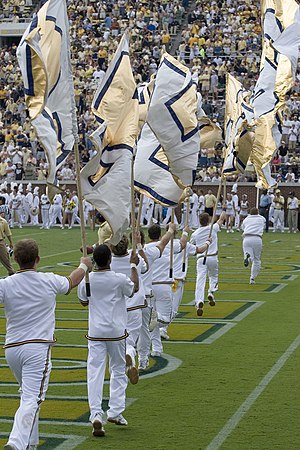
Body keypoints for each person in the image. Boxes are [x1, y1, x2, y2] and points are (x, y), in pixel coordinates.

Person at [1, 239, 92, 450]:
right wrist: (84, 265)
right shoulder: (48, 279)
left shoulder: (6, 284)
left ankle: (30, 444)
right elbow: (71, 281)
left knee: (27, 396)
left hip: (12, 348)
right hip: (37, 347)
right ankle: (16, 442)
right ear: (38, 259)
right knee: (32, 399)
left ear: (15, 259)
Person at [77, 244, 139, 437]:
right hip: (116, 331)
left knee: (94, 373)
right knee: (118, 370)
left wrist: (86, 274)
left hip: (96, 331)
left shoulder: (87, 279)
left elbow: (83, 301)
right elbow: (134, 289)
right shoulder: (119, 279)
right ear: (110, 260)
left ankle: (96, 414)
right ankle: (115, 411)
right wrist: (134, 266)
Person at [190, 211, 226, 316]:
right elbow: (221, 219)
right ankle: (211, 291)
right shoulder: (213, 228)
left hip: (201, 258)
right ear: (209, 220)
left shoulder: (195, 233)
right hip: (213, 257)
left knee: (200, 281)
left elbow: (191, 247)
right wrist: (223, 210)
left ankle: (199, 301)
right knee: (214, 276)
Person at [241, 208, 266, 284]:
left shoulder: (246, 219)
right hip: (257, 238)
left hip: (246, 238)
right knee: (256, 260)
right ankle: (252, 278)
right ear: (258, 212)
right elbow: (264, 225)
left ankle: (247, 258)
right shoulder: (262, 218)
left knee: (248, 254)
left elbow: (243, 228)